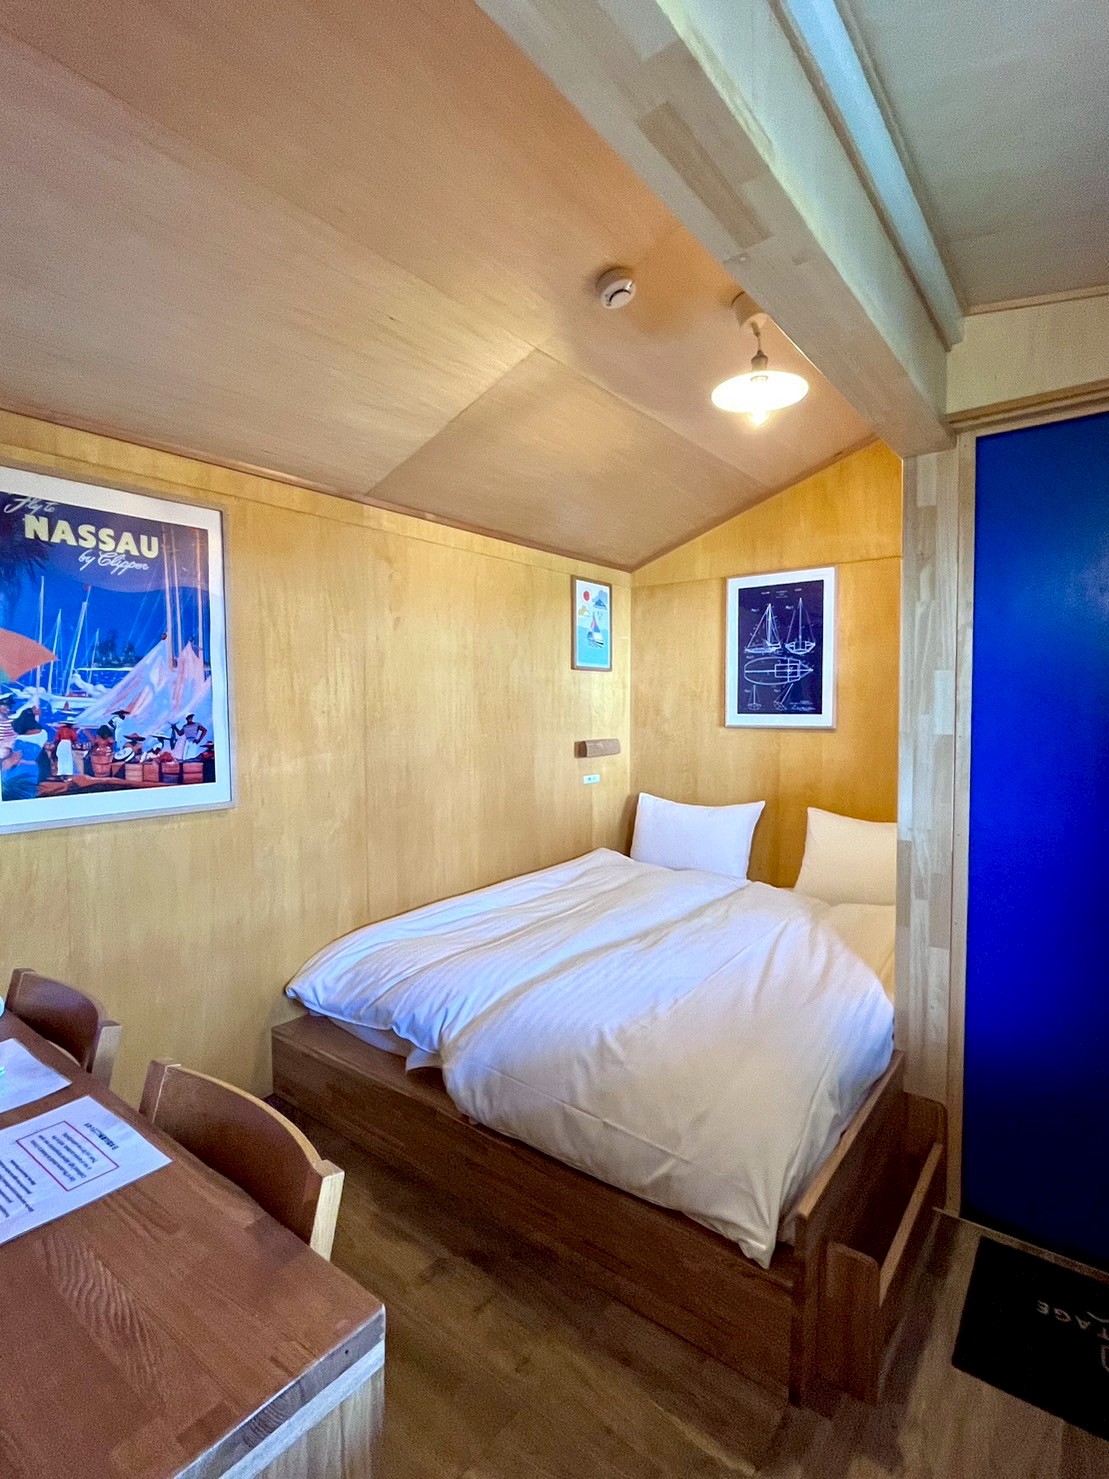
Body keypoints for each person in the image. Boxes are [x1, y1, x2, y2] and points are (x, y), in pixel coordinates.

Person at [1, 707, 49, 801]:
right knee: (29, 792)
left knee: (13, 793)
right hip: (34, 767)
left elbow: (16, 758)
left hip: (19, 768)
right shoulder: (43, 734)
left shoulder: (20, 739)